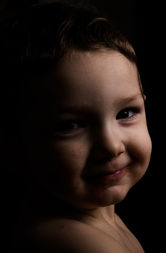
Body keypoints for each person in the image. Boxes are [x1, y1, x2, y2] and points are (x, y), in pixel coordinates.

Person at [1, 2, 151, 252]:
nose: (111, 145)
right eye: (72, 125)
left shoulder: (99, 215)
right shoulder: (72, 240)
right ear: (15, 142)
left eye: (125, 112)